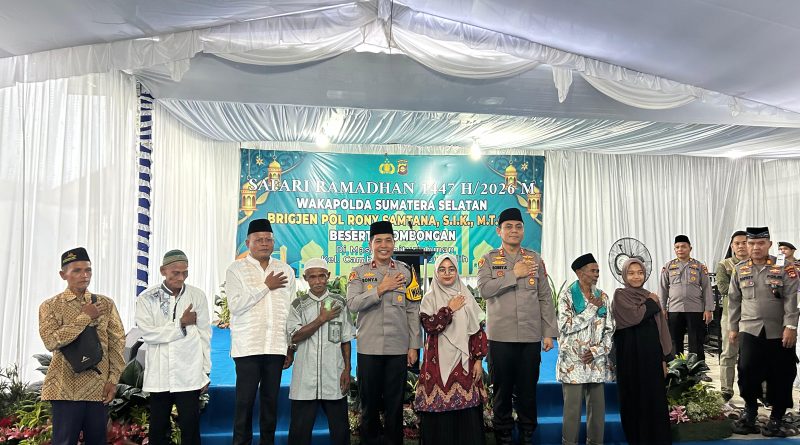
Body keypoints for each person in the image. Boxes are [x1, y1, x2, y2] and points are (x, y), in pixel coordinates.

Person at [477, 207, 557, 445]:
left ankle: (527, 433)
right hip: (500, 338)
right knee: (501, 390)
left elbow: (545, 297)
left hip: (530, 336)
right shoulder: (488, 259)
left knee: (527, 390)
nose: (514, 230)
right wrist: (514, 274)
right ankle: (503, 434)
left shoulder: (535, 259)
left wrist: (548, 333)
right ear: (499, 231)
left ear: (523, 230)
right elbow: (484, 290)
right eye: (508, 227)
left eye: (518, 226)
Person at [38, 247, 126, 445]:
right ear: (63, 275)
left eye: (88, 270)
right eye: (77, 270)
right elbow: (51, 341)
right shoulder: (50, 306)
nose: (84, 275)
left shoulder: (106, 304)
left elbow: (117, 343)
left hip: (98, 388)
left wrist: (113, 380)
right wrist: (85, 317)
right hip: (64, 388)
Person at [346, 221, 422, 445]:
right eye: (378, 241)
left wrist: (414, 345)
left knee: (395, 404)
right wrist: (380, 289)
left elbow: (413, 310)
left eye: (388, 240)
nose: (384, 245)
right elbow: (352, 303)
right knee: (369, 404)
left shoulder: (406, 271)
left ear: (394, 243)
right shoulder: (359, 272)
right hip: (369, 348)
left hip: (397, 348)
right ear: (370, 244)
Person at [226, 218, 297, 445]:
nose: (265, 243)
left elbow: (291, 310)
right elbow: (235, 305)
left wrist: (290, 346)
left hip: (276, 346)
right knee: (244, 403)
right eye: (259, 240)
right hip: (248, 346)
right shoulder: (236, 269)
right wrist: (266, 286)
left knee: (270, 403)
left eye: (268, 239)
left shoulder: (285, 270)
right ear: (248, 242)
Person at [135, 250, 211, 445]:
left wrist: (205, 371)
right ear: (163, 271)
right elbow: (148, 334)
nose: (181, 277)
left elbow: (205, 335)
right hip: (160, 373)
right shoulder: (147, 298)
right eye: (175, 273)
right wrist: (181, 324)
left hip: (189, 373)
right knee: (158, 429)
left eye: (185, 272)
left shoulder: (197, 296)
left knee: (190, 428)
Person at [728, 226, 799, 437]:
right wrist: (733, 328)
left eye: (761, 243)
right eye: (751, 243)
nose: (755, 247)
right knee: (746, 371)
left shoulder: (785, 268)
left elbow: (792, 299)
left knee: (782, 374)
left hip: (779, 331)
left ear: (769, 244)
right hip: (749, 329)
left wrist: (791, 326)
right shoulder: (740, 269)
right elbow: (734, 300)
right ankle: (750, 412)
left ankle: (776, 417)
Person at [414, 254, 488, 445]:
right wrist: (449, 309)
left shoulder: (466, 296)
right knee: (439, 414)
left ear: (457, 271)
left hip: (464, 362)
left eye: (451, 269)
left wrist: (478, 360)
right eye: (442, 269)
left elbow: (477, 331)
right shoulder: (429, 298)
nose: (447, 273)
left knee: (466, 413)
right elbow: (430, 326)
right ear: (436, 273)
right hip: (437, 363)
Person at [286, 258, 355, 445]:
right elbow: (294, 337)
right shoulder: (298, 305)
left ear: (328, 276)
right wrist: (321, 319)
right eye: (313, 277)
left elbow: (346, 339)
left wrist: (347, 369)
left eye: (322, 276)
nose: (318, 281)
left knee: (340, 432)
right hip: (305, 379)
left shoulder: (339, 303)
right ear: (305, 278)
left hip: (333, 375)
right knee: (299, 433)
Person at [613, 258, 672, 445]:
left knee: (654, 398)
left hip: (652, 356)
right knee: (633, 398)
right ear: (624, 275)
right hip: (629, 357)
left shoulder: (649, 295)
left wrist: (663, 359)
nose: (636, 277)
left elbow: (661, 329)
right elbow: (634, 317)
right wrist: (651, 303)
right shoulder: (620, 295)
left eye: (639, 273)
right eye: (631, 273)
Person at [557, 253, 615, 445]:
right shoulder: (566, 297)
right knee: (572, 410)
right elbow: (565, 326)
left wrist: (597, 351)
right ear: (580, 273)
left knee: (597, 410)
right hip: (574, 361)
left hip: (596, 361)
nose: (597, 274)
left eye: (598, 270)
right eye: (593, 270)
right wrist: (591, 309)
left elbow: (610, 329)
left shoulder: (603, 296)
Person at [658, 235, 714, 364]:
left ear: (690, 248)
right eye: (677, 247)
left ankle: (697, 369)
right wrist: (662, 308)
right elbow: (662, 289)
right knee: (674, 341)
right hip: (674, 309)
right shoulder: (668, 267)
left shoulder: (699, 266)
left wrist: (708, 309)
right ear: (674, 249)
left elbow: (707, 287)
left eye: (683, 246)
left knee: (696, 341)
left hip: (695, 309)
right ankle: (677, 368)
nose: (680, 249)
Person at [716, 230, 748, 401]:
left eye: (744, 242)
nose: (741, 246)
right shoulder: (725, 265)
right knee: (729, 353)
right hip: (731, 315)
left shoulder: (758, 264)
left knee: (754, 355)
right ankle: (726, 389)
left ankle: (760, 391)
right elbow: (723, 288)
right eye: (737, 243)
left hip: (754, 317)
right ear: (732, 246)